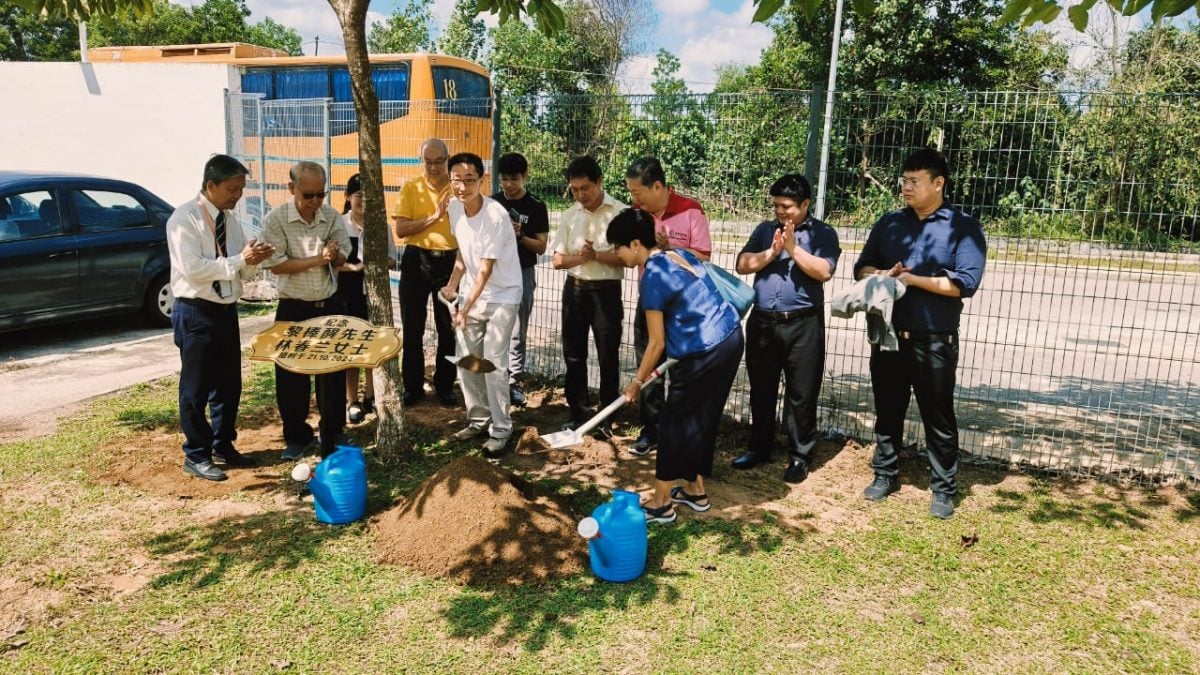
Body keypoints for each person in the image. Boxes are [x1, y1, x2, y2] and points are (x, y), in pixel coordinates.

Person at [854, 148, 987, 520]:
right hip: (889, 335)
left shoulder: (963, 227)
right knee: (888, 410)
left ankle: (943, 488)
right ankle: (885, 473)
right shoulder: (890, 223)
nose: (906, 188)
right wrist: (882, 274)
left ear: (938, 183)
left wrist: (912, 280)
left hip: (934, 339)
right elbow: (860, 269)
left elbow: (965, 284)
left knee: (938, 416)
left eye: (914, 181)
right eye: (904, 180)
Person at [608, 208, 744, 524]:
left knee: (673, 423)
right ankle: (695, 491)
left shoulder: (653, 276)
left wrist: (636, 382)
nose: (618, 255)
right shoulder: (677, 254)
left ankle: (660, 502)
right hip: (729, 337)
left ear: (635, 244)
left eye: (618, 248)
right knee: (699, 419)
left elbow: (655, 343)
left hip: (706, 349)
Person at [167, 154, 274, 481]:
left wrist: (255, 258)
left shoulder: (230, 221)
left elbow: (241, 263)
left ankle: (222, 443)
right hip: (196, 310)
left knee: (229, 384)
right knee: (195, 387)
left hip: (226, 309)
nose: (237, 196)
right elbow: (194, 269)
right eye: (232, 189)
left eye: (241, 189)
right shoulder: (184, 219)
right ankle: (196, 454)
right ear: (210, 185)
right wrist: (240, 259)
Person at [733, 174, 841, 484]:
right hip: (764, 323)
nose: (781, 212)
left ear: (805, 204)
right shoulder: (765, 230)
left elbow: (824, 271)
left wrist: (793, 249)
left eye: (788, 206)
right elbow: (742, 264)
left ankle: (800, 455)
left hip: (803, 324)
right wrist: (772, 252)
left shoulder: (823, 233)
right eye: (776, 205)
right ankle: (759, 447)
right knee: (762, 389)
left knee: (801, 393)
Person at [260, 160, 352, 460]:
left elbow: (341, 262)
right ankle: (296, 437)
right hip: (292, 307)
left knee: (332, 375)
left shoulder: (332, 216)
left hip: (328, 304)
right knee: (290, 376)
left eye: (320, 195)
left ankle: (333, 430)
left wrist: (336, 257)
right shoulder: (276, 219)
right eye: (308, 195)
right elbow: (276, 265)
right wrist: (317, 259)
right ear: (291, 188)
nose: (315, 201)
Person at [624, 156, 712, 456]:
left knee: (680, 371)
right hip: (649, 301)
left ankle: (677, 434)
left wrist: (671, 249)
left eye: (638, 193)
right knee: (647, 365)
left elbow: (703, 256)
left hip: (681, 307)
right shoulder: (638, 214)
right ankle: (651, 431)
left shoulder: (690, 211)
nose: (634, 199)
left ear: (658, 185)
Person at [440, 153, 523, 457]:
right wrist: (452, 284)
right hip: (474, 292)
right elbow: (463, 254)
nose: (462, 186)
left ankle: (501, 430)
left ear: (482, 180)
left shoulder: (495, 215)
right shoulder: (453, 208)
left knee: (493, 362)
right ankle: (478, 420)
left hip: (503, 294)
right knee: (467, 359)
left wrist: (463, 309)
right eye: (456, 180)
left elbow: (486, 269)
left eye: (469, 180)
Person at [551, 156, 627, 431]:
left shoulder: (620, 212)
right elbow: (558, 260)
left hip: (606, 292)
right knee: (573, 355)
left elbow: (628, 257)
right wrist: (583, 259)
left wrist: (597, 255)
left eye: (585, 188)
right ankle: (578, 413)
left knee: (608, 356)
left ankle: (607, 417)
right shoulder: (570, 215)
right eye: (575, 189)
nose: (580, 195)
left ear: (599, 182)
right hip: (575, 290)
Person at [393, 138, 458, 407]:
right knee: (412, 327)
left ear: (447, 159)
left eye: (439, 161)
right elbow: (401, 230)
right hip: (416, 260)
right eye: (428, 161)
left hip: (450, 263)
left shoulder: (459, 188)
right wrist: (433, 217)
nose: (433, 167)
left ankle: (445, 386)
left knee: (448, 328)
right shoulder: (411, 188)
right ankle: (412, 386)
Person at [490, 152, 549, 408]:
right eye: (504, 179)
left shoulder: (536, 206)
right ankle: (494, 376)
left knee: (517, 328)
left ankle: (514, 380)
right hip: (494, 271)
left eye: (514, 178)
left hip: (523, 271)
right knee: (493, 326)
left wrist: (520, 235)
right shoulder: (491, 203)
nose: (508, 185)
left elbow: (541, 247)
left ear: (525, 176)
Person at [336, 173, 385, 424]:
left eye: (368, 196)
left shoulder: (380, 225)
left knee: (372, 346)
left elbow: (390, 259)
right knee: (352, 347)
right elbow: (330, 263)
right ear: (348, 197)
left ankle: (371, 395)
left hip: (374, 296)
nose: (363, 201)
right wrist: (354, 268)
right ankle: (352, 400)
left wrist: (376, 264)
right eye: (358, 196)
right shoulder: (339, 225)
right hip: (347, 293)